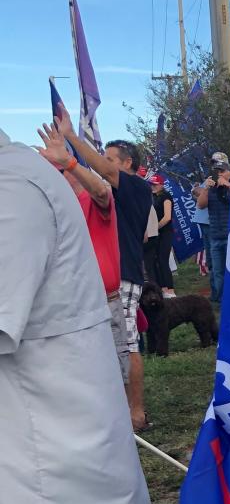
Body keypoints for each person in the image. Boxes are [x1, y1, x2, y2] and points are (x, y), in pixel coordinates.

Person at [0, 126, 155, 504]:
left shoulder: (13, 186)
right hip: (43, 494)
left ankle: (137, 408)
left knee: (132, 349)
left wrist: (70, 155)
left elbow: (104, 191)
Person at [56, 107, 153, 432]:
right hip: (108, 278)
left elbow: (96, 174)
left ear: (127, 164)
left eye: (110, 159)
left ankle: (135, 412)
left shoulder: (136, 187)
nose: (102, 164)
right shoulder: (112, 196)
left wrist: (71, 138)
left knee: (128, 344)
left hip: (123, 275)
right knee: (114, 345)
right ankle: (118, 408)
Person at [35, 119, 130, 384]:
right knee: (86, 381)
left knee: (116, 377)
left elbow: (102, 191)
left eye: (59, 173)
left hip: (105, 303)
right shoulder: (51, 212)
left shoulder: (91, 199)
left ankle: (124, 423)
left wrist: (69, 161)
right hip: (71, 307)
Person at [195, 151, 230, 303]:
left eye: (222, 171)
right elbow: (200, 205)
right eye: (217, 171)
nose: (220, 174)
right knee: (217, 272)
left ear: (229, 171)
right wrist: (205, 189)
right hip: (215, 236)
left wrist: (229, 186)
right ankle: (222, 300)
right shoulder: (211, 186)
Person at [146, 174, 175, 296]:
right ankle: (162, 288)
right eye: (151, 184)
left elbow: (167, 217)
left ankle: (170, 289)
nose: (153, 186)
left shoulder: (166, 196)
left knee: (163, 260)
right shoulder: (152, 197)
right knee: (156, 260)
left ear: (161, 185)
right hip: (156, 234)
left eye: (155, 184)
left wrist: (155, 227)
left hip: (165, 232)